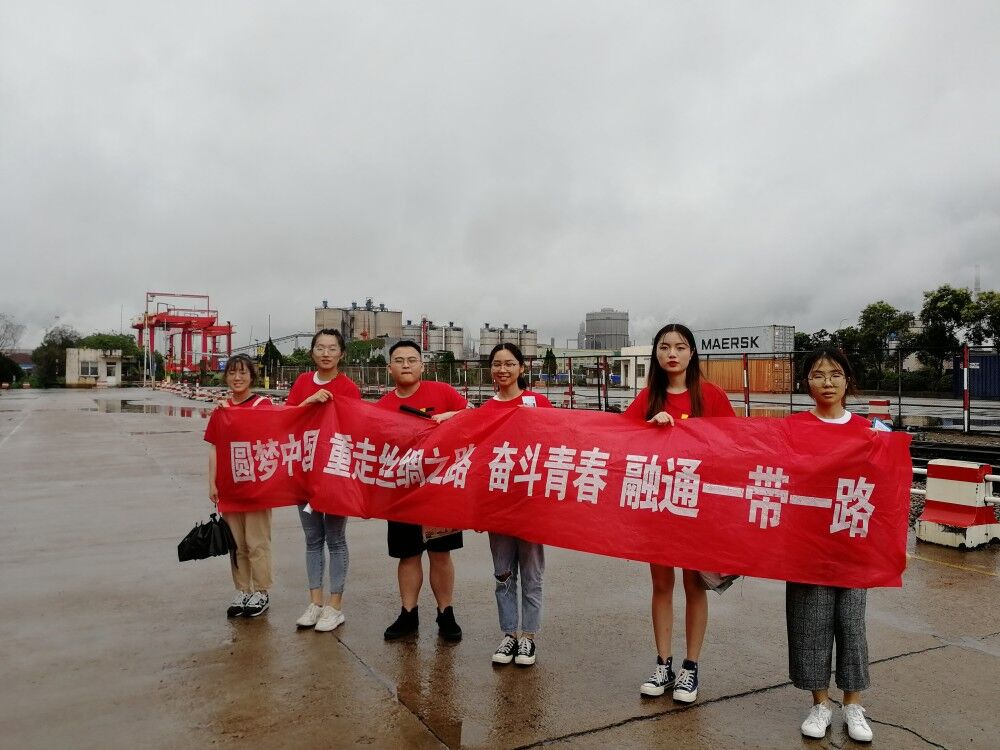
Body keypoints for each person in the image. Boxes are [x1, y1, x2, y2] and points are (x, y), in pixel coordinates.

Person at [623, 323, 736, 702]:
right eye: (665, 347)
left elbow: (734, 446)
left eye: (680, 347)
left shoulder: (712, 396)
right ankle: (663, 664)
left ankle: (690, 667)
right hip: (658, 505)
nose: (672, 353)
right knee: (661, 585)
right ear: (656, 354)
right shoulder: (647, 398)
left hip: (696, 505)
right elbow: (619, 441)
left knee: (693, 585)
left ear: (692, 353)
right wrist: (649, 428)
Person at [785, 348, 874, 742]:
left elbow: (886, 488)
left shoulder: (868, 432)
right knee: (811, 623)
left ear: (847, 380)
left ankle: (853, 704)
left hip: (853, 544)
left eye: (835, 374)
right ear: (807, 382)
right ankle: (820, 703)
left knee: (851, 624)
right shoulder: (793, 428)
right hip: (808, 544)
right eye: (818, 375)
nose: (827, 382)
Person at [375, 340, 469, 642]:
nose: (406, 365)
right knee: (408, 555)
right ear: (389, 368)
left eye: (412, 359)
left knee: (440, 554)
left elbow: (473, 417)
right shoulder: (381, 407)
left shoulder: (443, 393)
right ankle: (408, 613)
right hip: (402, 492)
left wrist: (449, 416)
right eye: (399, 360)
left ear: (422, 366)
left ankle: (446, 613)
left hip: (440, 490)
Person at [479, 342, 553, 667]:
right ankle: (509, 633)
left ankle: (528, 637)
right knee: (503, 573)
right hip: (498, 505)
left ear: (521, 368)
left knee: (532, 574)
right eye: (497, 364)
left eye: (509, 363)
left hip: (531, 504)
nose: (503, 370)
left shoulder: (537, 403)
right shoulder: (486, 410)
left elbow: (558, 442)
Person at [285, 329, 361, 633]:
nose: (326, 353)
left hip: (334, 472)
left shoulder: (348, 388)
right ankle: (315, 602)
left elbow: (355, 428)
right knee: (312, 538)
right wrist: (310, 400)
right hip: (304, 470)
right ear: (312, 352)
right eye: (320, 347)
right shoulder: (303, 382)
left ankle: (334, 606)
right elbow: (287, 418)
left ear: (341, 354)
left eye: (332, 348)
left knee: (336, 538)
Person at [205, 354, 275, 618]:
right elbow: (215, 448)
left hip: (256, 488)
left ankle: (261, 591)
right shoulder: (221, 410)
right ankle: (243, 590)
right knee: (236, 544)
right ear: (226, 377)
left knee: (257, 542)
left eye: (243, 373)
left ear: (252, 377)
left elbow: (281, 431)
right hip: (230, 487)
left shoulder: (262, 405)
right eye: (232, 373)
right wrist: (212, 482)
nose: (237, 378)